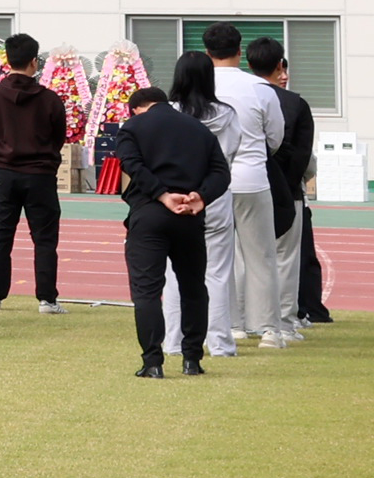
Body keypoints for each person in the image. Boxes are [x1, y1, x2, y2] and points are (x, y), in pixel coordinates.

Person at [179, 26, 285, 360]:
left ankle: (231, 325)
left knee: (216, 261)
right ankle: (269, 329)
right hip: (251, 178)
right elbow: (275, 138)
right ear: (240, 51)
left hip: (206, 185)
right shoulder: (260, 88)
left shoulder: (196, 86)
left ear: (206, 51)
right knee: (262, 257)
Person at [110, 85, 227, 377]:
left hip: (149, 213)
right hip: (189, 215)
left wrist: (161, 194)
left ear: (136, 109)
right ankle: (192, 359)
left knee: (147, 291)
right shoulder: (199, 129)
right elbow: (221, 172)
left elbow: (131, 165)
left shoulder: (133, 127)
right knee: (193, 288)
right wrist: (201, 197)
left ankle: (153, 362)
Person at [0, 34, 68, 313]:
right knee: (44, 237)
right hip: (40, 173)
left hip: (5, 172)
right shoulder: (50, 100)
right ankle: (47, 299)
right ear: (34, 62)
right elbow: (59, 137)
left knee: (0, 234)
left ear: (7, 60)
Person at [258, 40, 327, 333]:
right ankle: (284, 322)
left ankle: (243, 322)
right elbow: (301, 155)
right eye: (282, 69)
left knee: (246, 257)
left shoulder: (237, 97)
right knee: (286, 257)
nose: (284, 75)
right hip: (284, 189)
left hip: (244, 187)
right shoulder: (293, 103)